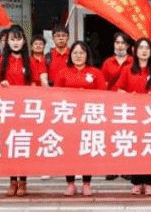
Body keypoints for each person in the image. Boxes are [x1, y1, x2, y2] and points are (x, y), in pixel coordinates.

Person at [0, 26, 43, 196]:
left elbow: (35, 83)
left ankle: (23, 181)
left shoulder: (31, 61)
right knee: (10, 144)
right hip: (8, 110)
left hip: (25, 110)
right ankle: (12, 181)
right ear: (7, 42)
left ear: (24, 41)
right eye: (12, 39)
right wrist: (1, 86)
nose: (15, 42)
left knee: (23, 144)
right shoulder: (0, 61)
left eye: (18, 39)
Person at [54, 41, 106, 196]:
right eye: (75, 53)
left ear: (87, 55)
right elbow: (56, 95)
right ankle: (70, 183)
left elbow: (102, 94)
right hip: (68, 117)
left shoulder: (95, 72)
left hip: (88, 117)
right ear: (70, 55)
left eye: (81, 53)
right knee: (69, 150)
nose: (78, 56)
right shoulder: (63, 72)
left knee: (86, 149)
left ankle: (86, 183)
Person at [113, 37, 151, 195]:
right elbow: (119, 90)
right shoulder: (128, 69)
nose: (144, 51)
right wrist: (130, 96)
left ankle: (150, 182)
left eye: (147, 48)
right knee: (136, 147)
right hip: (133, 115)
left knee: (150, 147)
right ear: (134, 51)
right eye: (141, 48)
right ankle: (137, 182)